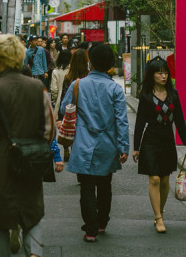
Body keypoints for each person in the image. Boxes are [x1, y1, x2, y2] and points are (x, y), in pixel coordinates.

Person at [0, 34, 55, 257]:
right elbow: (49, 130)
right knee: (32, 213)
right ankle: (35, 253)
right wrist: (34, 150)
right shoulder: (39, 89)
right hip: (31, 162)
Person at [60, 43, 129, 243]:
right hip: (107, 144)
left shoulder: (78, 84)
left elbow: (65, 109)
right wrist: (123, 147)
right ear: (109, 64)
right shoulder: (115, 89)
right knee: (105, 184)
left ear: (91, 62)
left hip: (83, 142)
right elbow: (121, 121)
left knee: (87, 186)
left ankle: (90, 229)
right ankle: (102, 222)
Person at [132, 56, 186, 234]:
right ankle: (158, 217)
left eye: (165, 72)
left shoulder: (174, 94)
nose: (164, 76)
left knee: (165, 181)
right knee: (155, 179)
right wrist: (136, 147)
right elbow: (140, 123)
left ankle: (160, 210)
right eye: (159, 73)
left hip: (167, 139)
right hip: (150, 138)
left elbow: (180, 120)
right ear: (152, 75)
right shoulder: (146, 96)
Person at [50, 49, 71, 116]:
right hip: (72, 104)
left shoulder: (55, 72)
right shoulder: (72, 70)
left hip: (60, 102)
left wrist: (55, 99)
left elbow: (54, 89)